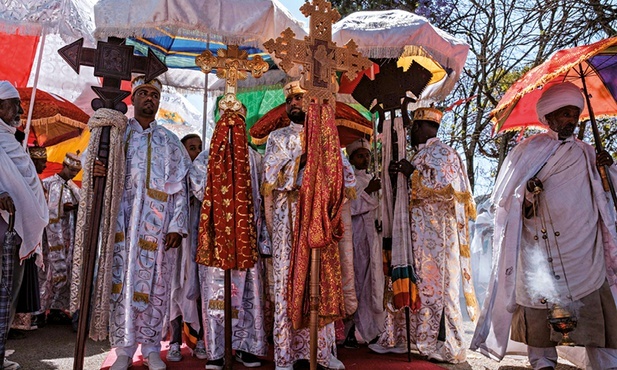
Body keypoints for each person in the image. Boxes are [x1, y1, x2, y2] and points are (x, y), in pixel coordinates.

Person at [471, 81, 617, 370]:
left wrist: (608, 168)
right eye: (564, 113)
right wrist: (527, 191)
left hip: (584, 249)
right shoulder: (527, 151)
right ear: (548, 117)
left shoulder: (589, 153)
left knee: (594, 311)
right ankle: (542, 361)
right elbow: (505, 199)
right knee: (539, 307)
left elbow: (610, 194)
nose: (571, 120)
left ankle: (606, 363)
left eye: (575, 113)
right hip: (539, 248)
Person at [93, 76, 191, 370]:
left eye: (155, 95)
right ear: (132, 99)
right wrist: (98, 168)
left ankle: (150, 349)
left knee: (156, 286)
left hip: (159, 230)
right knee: (121, 285)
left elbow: (180, 189)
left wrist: (177, 226)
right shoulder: (117, 136)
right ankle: (123, 348)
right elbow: (96, 168)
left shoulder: (171, 142)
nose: (150, 99)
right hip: (123, 225)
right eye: (144, 93)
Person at [262, 81, 348, 370]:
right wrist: (304, 162)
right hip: (289, 216)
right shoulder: (277, 137)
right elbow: (271, 176)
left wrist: (324, 171)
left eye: (301, 98)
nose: (296, 104)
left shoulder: (327, 138)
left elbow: (344, 177)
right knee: (288, 280)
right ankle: (287, 354)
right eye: (291, 100)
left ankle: (321, 352)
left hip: (318, 217)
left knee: (319, 279)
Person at [387, 107, 478, 363]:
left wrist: (412, 174)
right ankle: (422, 340)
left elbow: (446, 188)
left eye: (413, 128)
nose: (412, 133)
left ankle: (447, 344)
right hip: (419, 233)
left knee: (439, 289)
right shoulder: (422, 154)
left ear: (420, 127)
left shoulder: (443, 152)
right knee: (423, 287)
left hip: (438, 235)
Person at [193, 102, 269, 370]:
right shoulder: (206, 157)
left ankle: (245, 347)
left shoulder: (256, 159)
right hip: (217, 237)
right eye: (227, 121)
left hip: (247, 235)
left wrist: (264, 239)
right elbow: (198, 191)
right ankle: (216, 350)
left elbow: (263, 200)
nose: (232, 127)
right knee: (215, 294)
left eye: (238, 122)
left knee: (248, 292)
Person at [0, 81, 49, 370]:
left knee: (9, 292)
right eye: (14, 104)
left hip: (16, 230)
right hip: (3, 227)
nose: (20, 109)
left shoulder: (11, 140)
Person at [166, 133, 207, 362]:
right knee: (174, 290)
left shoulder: (204, 174)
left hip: (197, 241)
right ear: (182, 151)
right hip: (177, 243)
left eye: (200, 147)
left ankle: (199, 339)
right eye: (192, 147)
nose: (197, 151)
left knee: (196, 288)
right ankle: (174, 342)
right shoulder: (174, 174)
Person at [344, 138, 385, 347]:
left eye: (367, 155)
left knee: (372, 284)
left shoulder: (373, 178)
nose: (365, 159)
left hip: (373, 240)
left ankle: (373, 329)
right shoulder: (348, 179)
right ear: (351, 158)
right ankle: (350, 330)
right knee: (356, 283)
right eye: (360, 155)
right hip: (356, 239)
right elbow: (348, 208)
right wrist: (368, 191)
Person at [38, 151, 82, 325]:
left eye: (76, 172)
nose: (73, 174)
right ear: (64, 166)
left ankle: (57, 308)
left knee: (66, 270)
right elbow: (42, 208)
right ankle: (39, 312)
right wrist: (62, 208)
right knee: (46, 273)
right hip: (50, 237)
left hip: (68, 237)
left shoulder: (74, 188)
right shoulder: (47, 184)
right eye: (71, 170)